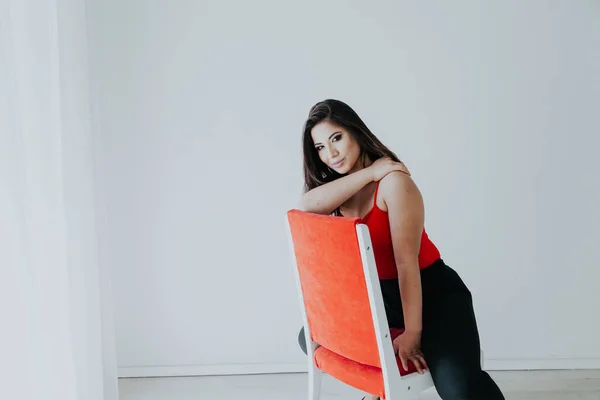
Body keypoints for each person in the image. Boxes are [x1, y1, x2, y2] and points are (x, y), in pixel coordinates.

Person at [296, 99, 505, 400]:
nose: (331, 154)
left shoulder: (395, 184)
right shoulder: (342, 190)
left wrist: (413, 334)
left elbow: (406, 264)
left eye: (336, 138)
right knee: (311, 337)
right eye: (320, 148)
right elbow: (305, 206)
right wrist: (369, 173)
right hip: (382, 301)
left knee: (459, 388)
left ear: (355, 132)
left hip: (433, 296)